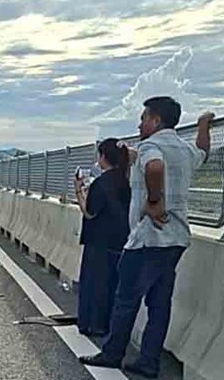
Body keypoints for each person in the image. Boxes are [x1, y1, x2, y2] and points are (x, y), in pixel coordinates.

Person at [81, 98, 214, 379]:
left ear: (155, 121)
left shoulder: (150, 147)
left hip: (147, 239)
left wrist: (154, 200)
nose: (139, 123)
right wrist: (203, 124)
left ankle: (112, 353)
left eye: (143, 118)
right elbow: (202, 150)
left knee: (125, 299)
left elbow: (154, 167)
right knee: (159, 304)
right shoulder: (183, 148)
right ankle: (148, 362)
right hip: (176, 239)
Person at [74, 139, 132, 337]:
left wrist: (78, 190)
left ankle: (90, 324)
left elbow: (89, 212)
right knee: (111, 284)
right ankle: (105, 324)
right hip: (121, 239)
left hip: (98, 240)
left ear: (103, 157)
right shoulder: (126, 181)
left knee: (93, 282)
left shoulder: (101, 183)